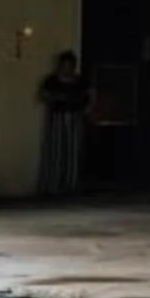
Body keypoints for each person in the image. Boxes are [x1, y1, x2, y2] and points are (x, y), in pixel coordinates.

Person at [36, 47, 89, 198]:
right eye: (64, 65)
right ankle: (53, 186)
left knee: (73, 153)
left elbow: (89, 95)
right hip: (57, 117)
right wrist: (57, 98)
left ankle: (71, 185)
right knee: (56, 152)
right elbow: (43, 95)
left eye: (70, 66)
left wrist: (86, 109)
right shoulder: (52, 80)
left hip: (74, 117)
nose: (67, 69)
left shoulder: (80, 81)